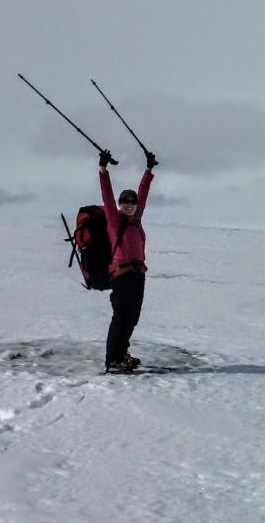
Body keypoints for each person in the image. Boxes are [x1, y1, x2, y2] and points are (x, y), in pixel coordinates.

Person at [98, 149, 158, 372]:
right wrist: (103, 170)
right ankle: (112, 359)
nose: (130, 205)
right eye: (125, 202)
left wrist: (149, 170)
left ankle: (122, 353)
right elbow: (106, 195)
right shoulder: (115, 220)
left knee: (132, 317)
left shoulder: (137, 219)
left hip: (138, 274)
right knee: (121, 316)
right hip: (121, 275)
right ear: (120, 205)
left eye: (132, 203)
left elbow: (144, 194)